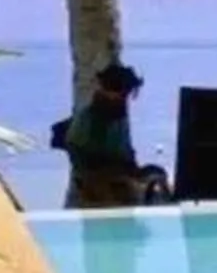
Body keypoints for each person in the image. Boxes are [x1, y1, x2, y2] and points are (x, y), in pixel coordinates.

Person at [52, 62, 162, 209]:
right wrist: (130, 177)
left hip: (116, 179)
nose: (124, 97)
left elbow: (123, 152)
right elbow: (89, 166)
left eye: (127, 93)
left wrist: (138, 172)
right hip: (99, 189)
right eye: (120, 92)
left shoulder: (116, 115)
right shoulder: (92, 119)